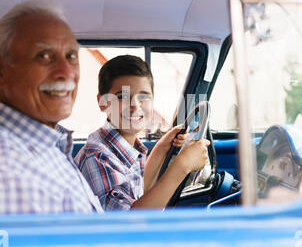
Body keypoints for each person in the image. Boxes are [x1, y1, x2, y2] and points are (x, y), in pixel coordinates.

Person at [0, 0, 103, 214]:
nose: (66, 72)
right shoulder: (2, 171)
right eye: (44, 56)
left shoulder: (42, 145)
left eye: (71, 56)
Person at [75, 55, 209, 210]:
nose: (134, 106)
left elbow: (138, 191)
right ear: (102, 103)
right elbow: (131, 223)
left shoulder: (124, 147)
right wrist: (182, 166)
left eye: (143, 96)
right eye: (122, 97)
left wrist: (162, 147)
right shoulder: (97, 157)